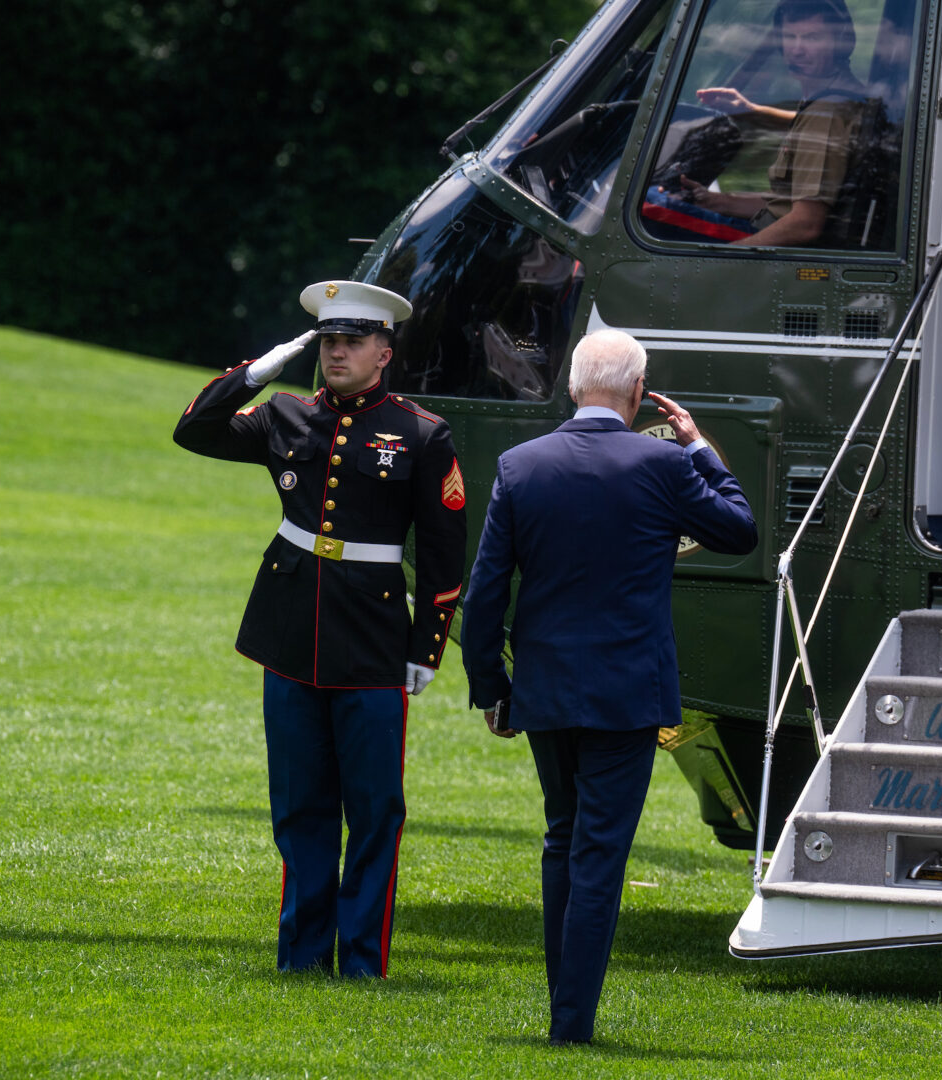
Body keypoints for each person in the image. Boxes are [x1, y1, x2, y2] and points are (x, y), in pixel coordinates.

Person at [460, 329, 757, 1045]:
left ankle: (566, 1010)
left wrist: (492, 687)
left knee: (562, 839)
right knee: (598, 852)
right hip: (627, 693)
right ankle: (571, 1025)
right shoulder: (660, 462)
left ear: (571, 386)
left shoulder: (520, 465)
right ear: (636, 391)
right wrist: (697, 446)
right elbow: (738, 530)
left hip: (546, 689)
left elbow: (485, 595)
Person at [173, 280, 467, 978]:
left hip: (371, 641)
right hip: (289, 631)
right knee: (299, 807)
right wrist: (257, 369)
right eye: (329, 340)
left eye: (352, 341)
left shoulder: (422, 433)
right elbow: (194, 429)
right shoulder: (284, 415)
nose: (337, 351)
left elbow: (447, 551)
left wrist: (426, 645)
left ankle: (363, 960)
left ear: (383, 353)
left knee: (372, 811)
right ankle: (302, 957)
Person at [676, 0, 868, 246]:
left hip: (761, 240)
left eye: (812, 38)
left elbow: (805, 224)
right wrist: (714, 201)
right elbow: (785, 205)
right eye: (790, 37)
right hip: (767, 225)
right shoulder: (837, 98)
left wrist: (724, 256)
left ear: (840, 44)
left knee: (648, 206)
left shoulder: (825, 115)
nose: (797, 49)